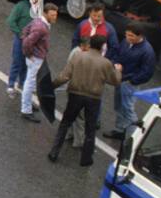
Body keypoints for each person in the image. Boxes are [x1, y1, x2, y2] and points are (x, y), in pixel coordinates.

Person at [51, 34, 121, 166]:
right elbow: (115, 81)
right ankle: (86, 159)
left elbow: (64, 76)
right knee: (90, 129)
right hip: (93, 98)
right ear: (102, 47)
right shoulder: (106, 63)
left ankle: (54, 152)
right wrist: (118, 71)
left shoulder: (78, 56)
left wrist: (52, 86)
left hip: (75, 94)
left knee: (65, 123)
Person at [107, 23, 157, 141]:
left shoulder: (147, 51)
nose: (128, 38)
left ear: (140, 36)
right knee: (119, 105)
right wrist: (115, 64)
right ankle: (120, 130)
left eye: (131, 36)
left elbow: (147, 73)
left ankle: (132, 138)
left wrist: (131, 80)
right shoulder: (126, 42)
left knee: (128, 109)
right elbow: (117, 54)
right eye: (127, 35)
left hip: (130, 83)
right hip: (120, 79)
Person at [20, 2, 60, 123]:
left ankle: (28, 105)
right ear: (45, 13)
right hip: (35, 58)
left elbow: (25, 30)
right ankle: (26, 110)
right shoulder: (41, 27)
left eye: (56, 15)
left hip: (36, 56)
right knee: (30, 83)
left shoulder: (39, 21)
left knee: (32, 82)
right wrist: (29, 54)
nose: (55, 17)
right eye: (52, 15)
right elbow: (27, 42)